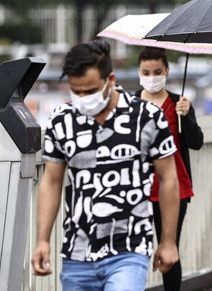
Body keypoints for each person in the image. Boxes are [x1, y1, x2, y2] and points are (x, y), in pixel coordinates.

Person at [31, 40, 180, 290]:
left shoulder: (147, 117)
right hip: (77, 252)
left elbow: (168, 179)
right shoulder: (62, 120)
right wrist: (42, 240)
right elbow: (51, 181)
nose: (82, 98)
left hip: (129, 248)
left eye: (89, 91)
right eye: (75, 91)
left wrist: (168, 241)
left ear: (110, 80)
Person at [135, 47, 203, 291]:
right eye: (146, 72)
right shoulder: (131, 104)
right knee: (134, 249)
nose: (152, 77)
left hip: (174, 186)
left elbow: (196, 142)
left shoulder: (179, 103)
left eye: (157, 72)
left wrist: (186, 117)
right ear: (138, 72)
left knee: (169, 247)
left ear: (167, 71)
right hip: (137, 187)